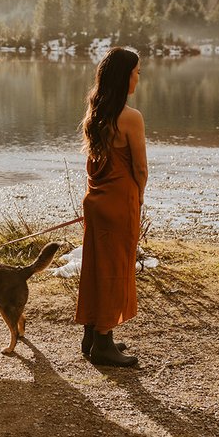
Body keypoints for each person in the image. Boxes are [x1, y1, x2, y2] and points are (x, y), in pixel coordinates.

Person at [75, 47, 147, 367]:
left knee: (95, 267)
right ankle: (104, 341)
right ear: (124, 77)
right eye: (136, 73)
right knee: (115, 271)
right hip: (120, 202)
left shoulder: (96, 113)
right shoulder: (131, 117)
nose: (138, 78)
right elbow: (140, 169)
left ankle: (92, 334)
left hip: (96, 201)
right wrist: (139, 196)